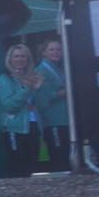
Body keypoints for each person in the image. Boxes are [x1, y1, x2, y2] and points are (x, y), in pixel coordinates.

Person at [0, 42, 42, 178]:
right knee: (17, 165)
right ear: (10, 59)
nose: (20, 59)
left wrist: (38, 89)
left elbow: (42, 103)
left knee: (33, 163)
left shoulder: (33, 76)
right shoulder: (4, 79)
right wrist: (26, 89)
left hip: (33, 124)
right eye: (16, 56)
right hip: (14, 127)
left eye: (23, 56)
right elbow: (9, 106)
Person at [34, 38, 70, 172]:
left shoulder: (60, 69)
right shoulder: (40, 70)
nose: (56, 52)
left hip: (66, 120)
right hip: (53, 121)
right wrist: (67, 91)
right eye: (52, 49)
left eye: (59, 49)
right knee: (59, 159)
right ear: (43, 53)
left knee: (67, 158)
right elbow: (46, 95)